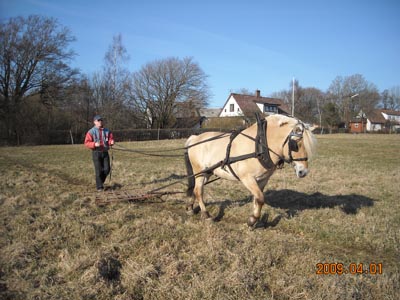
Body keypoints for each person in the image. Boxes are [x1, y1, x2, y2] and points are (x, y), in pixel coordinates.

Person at [84, 115, 114, 191]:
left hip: (105, 152)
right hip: (96, 153)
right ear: (94, 122)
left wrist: (111, 142)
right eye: (98, 120)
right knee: (99, 170)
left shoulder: (107, 131)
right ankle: (99, 187)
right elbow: (86, 143)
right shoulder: (91, 132)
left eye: (101, 120)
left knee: (107, 169)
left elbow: (110, 139)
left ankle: (100, 182)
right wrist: (94, 144)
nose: (100, 122)